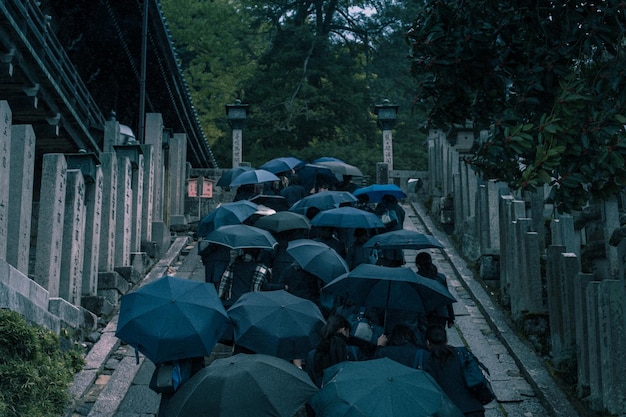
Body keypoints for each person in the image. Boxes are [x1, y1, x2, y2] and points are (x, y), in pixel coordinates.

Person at [426, 325, 486, 417]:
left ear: (428, 342)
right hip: (474, 409)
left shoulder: (428, 361)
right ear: (446, 340)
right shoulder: (462, 352)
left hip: (449, 412)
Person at [416, 252, 455, 328]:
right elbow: (446, 297)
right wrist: (451, 318)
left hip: (425, 314)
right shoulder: (441, 277)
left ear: (418, 265)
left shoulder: (417, 279)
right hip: (441, 314)